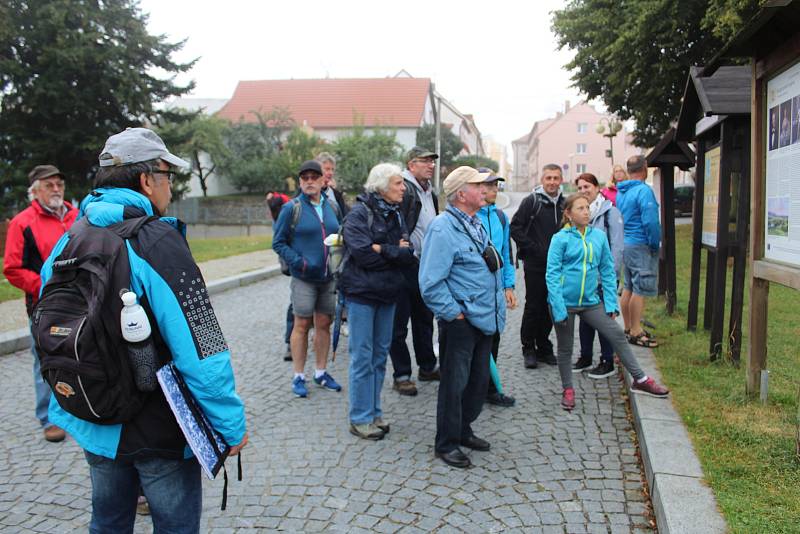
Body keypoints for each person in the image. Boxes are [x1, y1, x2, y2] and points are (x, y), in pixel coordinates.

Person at [41, 128, 247, 532]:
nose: (170, 186)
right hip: (157, 426)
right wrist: (228, 423)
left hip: (93, 414)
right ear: (146, 179)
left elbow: (49, 328)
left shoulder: (71, 238)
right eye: (168, 176)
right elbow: (201, 342)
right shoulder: (156, 241)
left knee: (108, 522)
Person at [546, 194, 669, 411]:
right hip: (564, 303)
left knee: (616, 334)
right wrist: (558, 307)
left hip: (591, 302)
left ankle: (640, 379)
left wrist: (611, 304)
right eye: (580, 208)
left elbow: (607, 271)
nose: (586, 212)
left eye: (587, 208)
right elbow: (552, 275)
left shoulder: (598, 237)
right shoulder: (560, 239)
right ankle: (568, 390)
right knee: (565, 348)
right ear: (568, 214)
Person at [419, 166, 506, 469]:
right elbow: (430, 281)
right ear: (461, 194)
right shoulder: (442, 228)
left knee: (477, 382)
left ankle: (464, 430)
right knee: (454, 384)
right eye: (478, 185)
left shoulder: (475, 222)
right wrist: (453, 314)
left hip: (484, 318)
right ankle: (446, 442)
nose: (485, 189)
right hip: (461, 321)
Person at [339, 163, 415, 440]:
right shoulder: (359, 214)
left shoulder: (396, 214)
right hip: (362, 296)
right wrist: (394, 254)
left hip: (388, 294)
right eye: (398, 183)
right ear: (382, 186)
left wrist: (383, 249)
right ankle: (359, 418)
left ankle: (374, 412)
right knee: (362, 357)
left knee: (380, 356)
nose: (403, 188)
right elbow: (362, 255)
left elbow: (409, 253)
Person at [3, 164, 77, 443]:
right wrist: (45, 284)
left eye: (59, 184)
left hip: (80, 300)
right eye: (49, 185)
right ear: (35, 191)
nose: (56, 189)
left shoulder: (76, 216)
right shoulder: (22, 223)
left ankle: (79, 407)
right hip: (44, 305)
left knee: (81, 352)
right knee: (45, 359)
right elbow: (12, 268)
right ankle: (48, 417)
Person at [273, 160, 343, 397]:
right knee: (301, 324)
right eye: (305, 178)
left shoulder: (332, 206)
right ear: (300, 182)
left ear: (324, 180)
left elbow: (340, 233)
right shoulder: (292, 208)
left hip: (328, 277)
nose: (310, 181)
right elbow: (278, 242)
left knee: (324, 324)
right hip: (304, 277)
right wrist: (300, 262)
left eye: (315, 177)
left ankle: (321, 372)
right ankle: (298, 375)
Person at [390, 146, 441, 396]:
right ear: (411, 164)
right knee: (399, 324)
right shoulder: (404, 188)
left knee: (424, 318)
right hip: (405, 264)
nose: (431, 165)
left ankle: (427, 366)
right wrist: (404, 250)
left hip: (425, 264)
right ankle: (402, 374)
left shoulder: (429, 191)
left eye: (432, 161)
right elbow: (396, 224)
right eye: (425, 161)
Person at [509, 163, 565, 369]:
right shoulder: (532, 201)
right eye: (548, 178)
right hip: (535, 264)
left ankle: (544, 346)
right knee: (534, 306)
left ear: (561, 180)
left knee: (550, 307)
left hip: (557, 267)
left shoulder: (564, 204)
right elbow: (515, 227)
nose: (552, 182)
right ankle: (528, 348)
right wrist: (533, 248)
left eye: (555, 178)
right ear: (542, 180)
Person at [573, 173, 624, 379]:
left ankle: (607, 360)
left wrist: (609, 277)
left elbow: (617, 247)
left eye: (587, 187)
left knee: (604, 320)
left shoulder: (610, 212)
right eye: (580, 188)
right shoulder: (582, 214)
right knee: (585, 319)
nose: (584, 191)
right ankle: (585, 356)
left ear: (597, 187)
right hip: (586, 279)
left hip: (603, 279)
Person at [475, 168, 517, 407]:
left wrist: (508, 286)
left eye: (495, 185)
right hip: (475, 291)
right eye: (488, 185)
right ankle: (473, 389)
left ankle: (490, 390)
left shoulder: (500, 217)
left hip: (495, 291)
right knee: (475, 341)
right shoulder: (469, 216)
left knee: (494, 339)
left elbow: (505, 255)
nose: (493, 189)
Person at [617, 155, 661, 348]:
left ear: (628, 170)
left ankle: (627, 327)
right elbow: (650, 221)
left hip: (626, 243)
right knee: (640, 289)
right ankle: (636, 330)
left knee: (628, 287)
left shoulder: (623, 192)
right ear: (645, 168)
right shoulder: (644, 191)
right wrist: (654, 243)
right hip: (641, 243)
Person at [316, 152, 349, 217]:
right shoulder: (308, 191)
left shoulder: (336, 194)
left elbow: (345, 217)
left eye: (332, 169)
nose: (331, 173)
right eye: (327, 169)